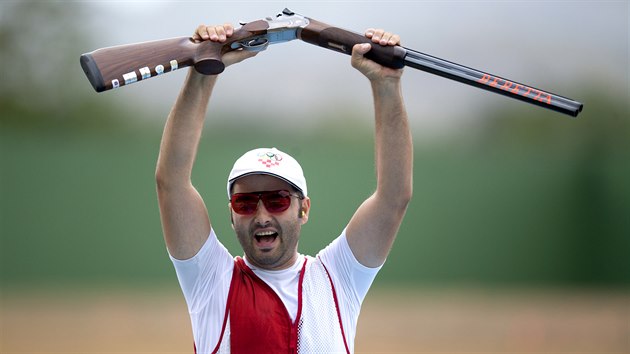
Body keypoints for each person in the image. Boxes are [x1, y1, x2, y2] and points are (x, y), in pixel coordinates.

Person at [155, 22, 413, 354]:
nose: (261, 215)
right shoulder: (211, 280)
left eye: (277, 200)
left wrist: (387, 85)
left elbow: (394, 197)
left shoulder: (337, 278)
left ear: (303, 208)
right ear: (232, 215)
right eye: (245, 203)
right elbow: (171, 182)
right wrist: (204, 71)